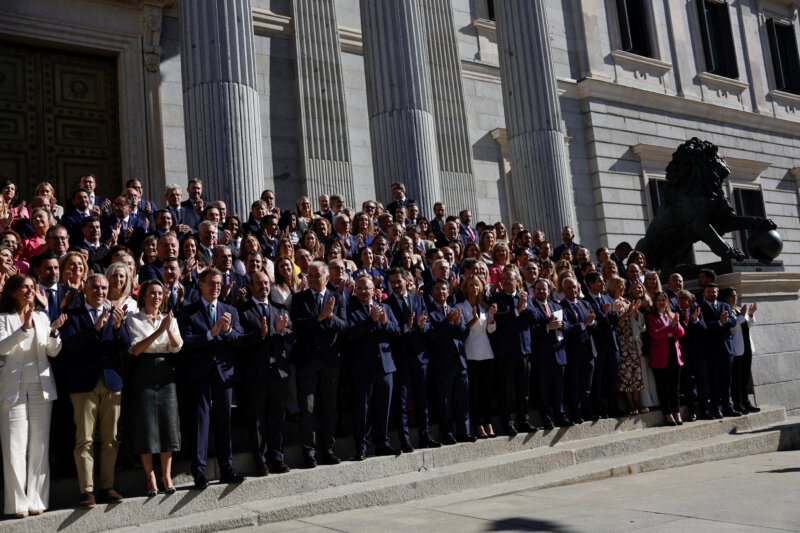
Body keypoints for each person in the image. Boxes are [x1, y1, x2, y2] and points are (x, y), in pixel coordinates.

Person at [60, 274, 131, 508]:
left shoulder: (114, 313)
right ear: (85, 289)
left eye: (103, 288)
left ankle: (107, 486)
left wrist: (118, 328)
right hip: (83, 384)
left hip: (111, 382)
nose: (100, 291)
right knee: (85, 439)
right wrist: (94, 328)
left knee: (111, 438)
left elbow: (126, 345)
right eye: (95, 287)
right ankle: (87, 491)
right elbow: (69, 345)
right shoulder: (73, 314)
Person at [0, 274, 65, 518]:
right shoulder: (3, 319)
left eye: (32, 287)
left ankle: (37, 499)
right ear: (13, 292)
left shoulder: (42, 317)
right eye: (24, 287)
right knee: (14, 446)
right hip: (12, 387)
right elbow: (1, 348)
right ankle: (17, 504)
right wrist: (23, 329)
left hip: (41, 386)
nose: (29, 291)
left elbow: (53, 352)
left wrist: (54, 332)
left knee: (39, 445)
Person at [178, 268, 247, 489]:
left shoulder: (230, 310)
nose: (216, 287)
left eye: (218, 283)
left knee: (224, 422)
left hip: (224, 374)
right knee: (200, 422)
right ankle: (199, 472)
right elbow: (186, 343)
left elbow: (239, 339)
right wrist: (211, 333)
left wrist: (226, 331)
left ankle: (227, 468)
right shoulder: (187, 311)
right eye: (211, 283)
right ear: (200, 284)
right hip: (200, 373)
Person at [126, 280, 183, 496]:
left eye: (160, 293)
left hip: (165, 372)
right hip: (143, 372)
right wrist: (160, 330)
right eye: (152, 293)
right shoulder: (133, 319)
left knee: (168, 423)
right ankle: (150, 476)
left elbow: (176, 347)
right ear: (143, 296)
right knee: (146, 425)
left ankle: (166, 475)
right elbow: (136, 349)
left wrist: (167, 328)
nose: (156, 297)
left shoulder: (169, 319)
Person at [289, 261, 347, 468]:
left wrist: (330, 316)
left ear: (327, 278)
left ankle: (328, 450)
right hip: (307, 362)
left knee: (330, 407)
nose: (312, 279)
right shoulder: (299, 298)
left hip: (330, 362)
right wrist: (320, 317)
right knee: (308, 408)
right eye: (310, 276)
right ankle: (309, 453)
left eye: (317, 276)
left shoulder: (337, 298)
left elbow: (343, 326)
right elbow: (298, 325)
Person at [236, 272, 293, 475]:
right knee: (257, 419)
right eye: (259, 283)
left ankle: (278, 457)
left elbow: (292, 335)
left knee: (277, 417)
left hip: (278, 372)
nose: (263, 287)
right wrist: (260, 334)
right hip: (255, 373)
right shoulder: (242, 311)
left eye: (266, 283)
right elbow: (239, 340)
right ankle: (261, 460)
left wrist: (281, 331)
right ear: (251, 287)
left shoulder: (279, 308)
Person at [347, 275, 401, 459]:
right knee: (363, 407)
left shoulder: (385, 308)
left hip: (385, 365)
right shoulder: (350, 309)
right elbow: (350, 334)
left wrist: (384, 322)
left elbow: (397, 331)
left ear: (373, 290)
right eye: (360, 288)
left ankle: (382, 443)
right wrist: (371, 320)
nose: (363, 291)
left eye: (367, 288)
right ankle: (362, 446)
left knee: (384, 406)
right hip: (363, 366)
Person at [385, 268, 438, 450]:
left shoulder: (418, 299)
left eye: (398, 281)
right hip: (399, 357)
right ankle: (404, 440)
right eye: (392, 282)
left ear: (406, 281)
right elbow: (390, 330)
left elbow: (428, 324)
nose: (395, 285)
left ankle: (425, 437)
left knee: (422, 398)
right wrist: (406, 328)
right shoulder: (387, 304)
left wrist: (422, 326)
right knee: (401, 400)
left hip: (419, 355)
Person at [426, 278, 474, 444]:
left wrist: (458, 322)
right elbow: (430, 335)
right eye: (437, 289)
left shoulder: (455, 309)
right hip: (442, 363)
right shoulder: (428, 311)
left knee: (462, 399)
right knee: (445, 400)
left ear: (448, 292)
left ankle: (463, 431)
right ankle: (447, 433)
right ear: (432, 292)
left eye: (444, 289)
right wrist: (448, 322)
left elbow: (464, 333)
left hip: (460, 361)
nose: (441, 292)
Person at [489, 266, 536, 435]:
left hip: (524, 351)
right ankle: (508, 423)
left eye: (511, 279)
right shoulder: (497, 298)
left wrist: (524, 306)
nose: (508, 282)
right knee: (506, 390)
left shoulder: (524, 297)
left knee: (524, 390)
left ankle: (524, 421)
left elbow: (536, 317)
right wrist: (516, 311)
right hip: (506, 352)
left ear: (517, 281)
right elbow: (496, 319)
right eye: (504, 279)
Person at [455, 275, 497, 438]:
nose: (474, 288)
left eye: (477, 285)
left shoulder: (484, 306)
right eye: (471, 285)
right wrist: (474, 319)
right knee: (474, 392)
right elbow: (461, 331)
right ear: (466, 289)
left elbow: (491, 330)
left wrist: (491, 316)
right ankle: (478, 424)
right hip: (471, 353)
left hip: (486, 352)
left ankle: (488, 422)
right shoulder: (460, 306)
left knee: (487, 391)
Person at [529, 278, 570, 429]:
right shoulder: (530, 307)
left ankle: (560, 415)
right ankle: (546, 418)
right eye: (538, 289)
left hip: (559, 353)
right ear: (534, 291)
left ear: (549, 291)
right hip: (542, 355)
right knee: (543, 390)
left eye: (544, 289)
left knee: (559, 389)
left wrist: (562, 324)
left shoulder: (556, 306)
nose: (541, 291)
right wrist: (547, 327)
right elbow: (530, 330)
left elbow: (568, 324)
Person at [583, 271, 622, 418]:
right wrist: (605, 313)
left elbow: (615, 319)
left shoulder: (607, 298)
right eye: (599, 281)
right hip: (598, 344)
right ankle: (598, 407)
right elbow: (595, 324)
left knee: (612, 377)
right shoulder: (586, 301)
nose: (603, 284)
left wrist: (612, 312)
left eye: (602, 281)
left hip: (612, 343)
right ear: (591, 284)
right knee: (598, 378)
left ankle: (613, 406)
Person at [607, 276, 647, 415]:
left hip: (632, 339)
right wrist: (627, 313)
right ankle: (630, 403)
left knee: (635, 371)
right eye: (620, 285)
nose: (623, 288)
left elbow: (635, 318)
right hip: (621, 340)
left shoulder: (626, 301)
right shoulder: (611, 301)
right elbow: (614, 322)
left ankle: (637, 401)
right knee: (626, 372)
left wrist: (634, 311)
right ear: (613, 287)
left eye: (624, 285)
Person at [560, 276, 596, 423]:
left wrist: (591, 323)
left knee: (587, 384)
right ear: (563, 290)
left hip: (588, 349)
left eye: (574, 287)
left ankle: (588, 412)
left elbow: (595, 323)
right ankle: (576, 413)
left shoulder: (585, 304)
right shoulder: (560, 306)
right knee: (574, 384)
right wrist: (584, 324)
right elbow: (566, 327)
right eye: (569, 288)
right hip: (573, 351)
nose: (573, 290)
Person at [700, 283, 738, 419]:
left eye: (714, 292)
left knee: (727, 379)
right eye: (709, 292)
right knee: (714, 380)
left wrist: (725, 321)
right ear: (704, 293)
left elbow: (733, 322)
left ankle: (728, 406)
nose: (711, 294)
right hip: (712, 350)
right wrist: (720, 322)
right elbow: (703, 326)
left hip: (727, 348)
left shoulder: (725, 306)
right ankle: (717, 408)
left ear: (718, 293)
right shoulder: (700, 307)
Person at [647, 291, 685, 426]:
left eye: (663, 300)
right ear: (655, 302)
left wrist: (676, 324)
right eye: (659, 300)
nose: (661, 302)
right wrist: (670, 327)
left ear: (667, 302)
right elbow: (655, 334)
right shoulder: (651, 317)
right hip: (660, 355)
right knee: (663, 387)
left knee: (675, 387)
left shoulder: (673, 315)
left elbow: (681, 333)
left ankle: (677, 412)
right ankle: (667, 414)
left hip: (674, 352)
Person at [722, 288, 760, 414]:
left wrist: (750, 314)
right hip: (737, 348)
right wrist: (742, 316)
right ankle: (737, 403)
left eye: (735, 296)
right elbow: (732, 326)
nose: (734, 298)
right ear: (726, 298)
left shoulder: (739, 309)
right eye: (731, 296)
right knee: (736, 378)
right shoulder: (727, 311)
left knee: (745, 377)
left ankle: (746, 402)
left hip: (747, 346)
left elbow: (750, 324)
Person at [675, 289, 708, 421]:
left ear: (690, 300)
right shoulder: (674, 313)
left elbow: (704, 330)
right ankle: (692, 411)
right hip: (683, 354)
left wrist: (695, 320)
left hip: (698, 354)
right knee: (687, 384)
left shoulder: (697, 311)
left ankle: (704, 410)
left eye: (684, 298)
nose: (680, 301)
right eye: (679, 298)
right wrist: (684, 322)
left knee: (702, 383)